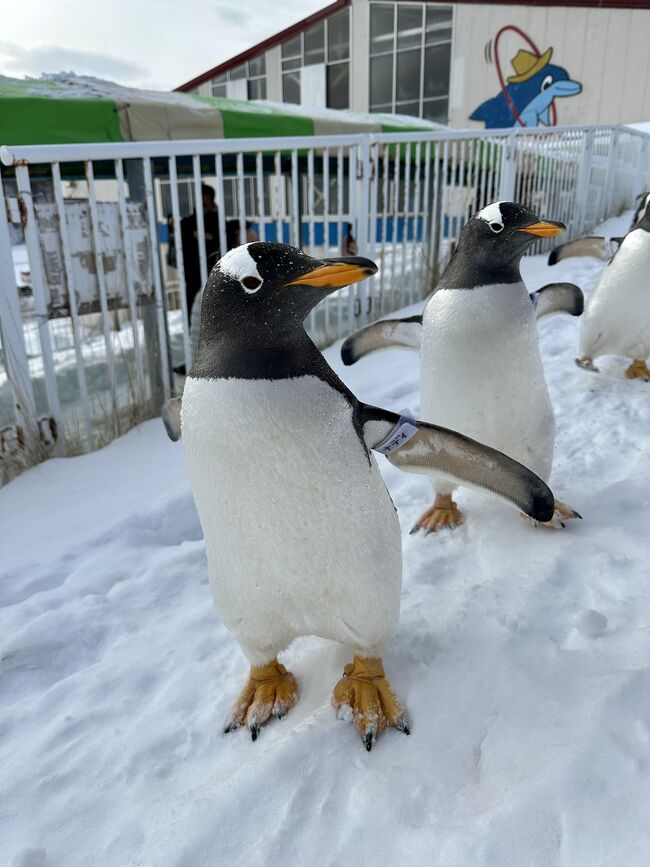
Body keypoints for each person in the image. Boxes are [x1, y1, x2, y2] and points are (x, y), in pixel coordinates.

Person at [180, 184, 221, 317]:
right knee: (192, 309)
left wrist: (208, 236)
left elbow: (222, 240)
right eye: (201, 201)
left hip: (213, 270)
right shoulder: (189, 223)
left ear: (212, 201)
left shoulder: (218, 220)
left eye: (206, 201)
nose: (204, 204)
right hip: (193, 272)